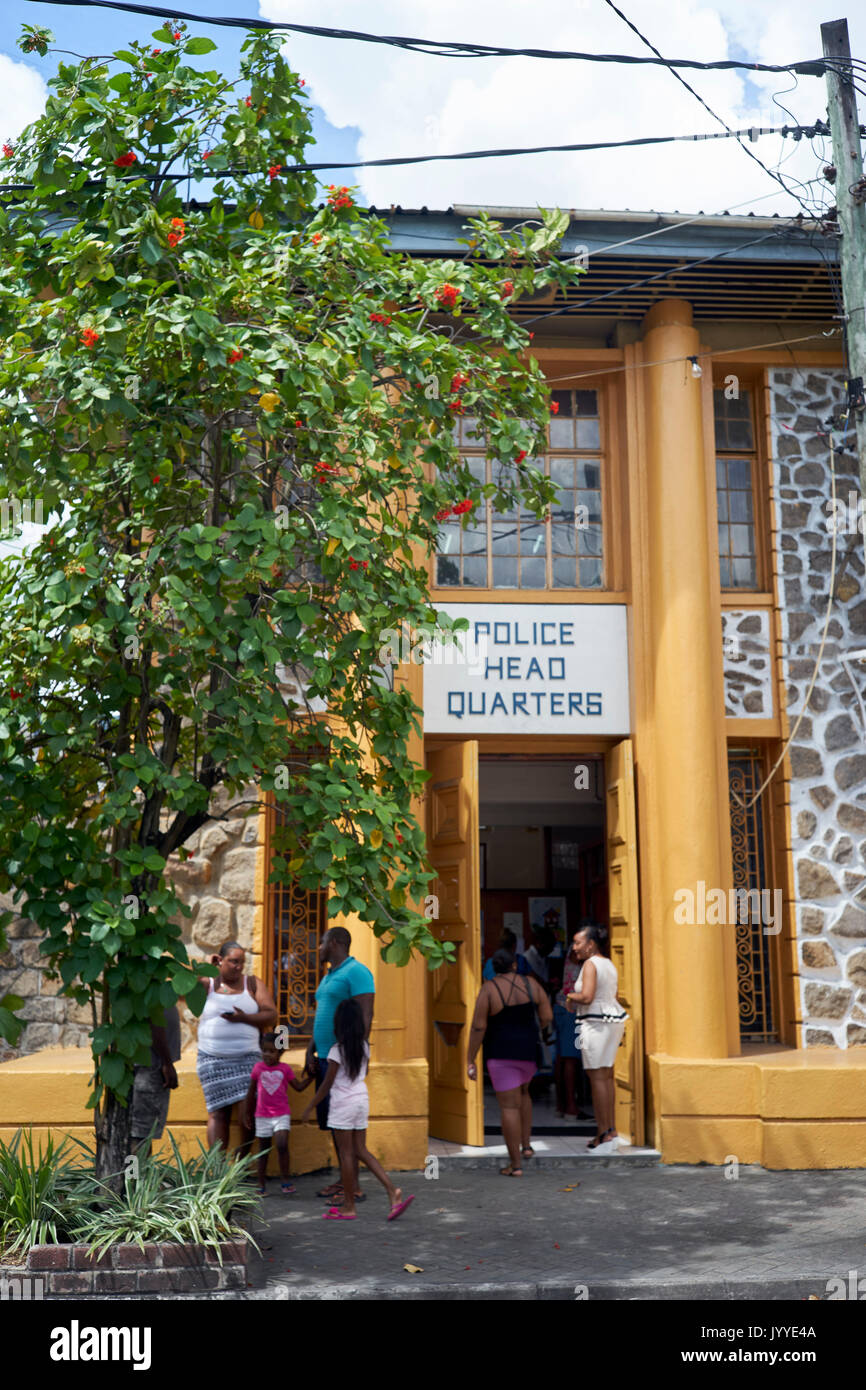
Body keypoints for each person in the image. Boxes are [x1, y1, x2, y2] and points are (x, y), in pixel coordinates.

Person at [301, 998, 414, 1222]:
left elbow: (327, 1084)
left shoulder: (335, 1051)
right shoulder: (363, 1046)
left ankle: (349, 1206)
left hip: (342, 1103)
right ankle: (393, 1191)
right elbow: (366, 1073)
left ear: (339, 1024)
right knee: (361, 1150)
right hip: (361, 1099)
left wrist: (310, 1105)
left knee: (346, 1155)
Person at [466, 948, 552, 1176]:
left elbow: (478, 1026)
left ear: (494, 968)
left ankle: (515, 1166)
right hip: (528, 1052)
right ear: (514, 965)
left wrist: (470, 1057)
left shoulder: (489, 989)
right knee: (524, 1095)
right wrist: (538, 1031)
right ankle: (526, 1147)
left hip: (501, 1054)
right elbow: (547, 1016)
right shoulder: (531, 984)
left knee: (509, 1107)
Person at [305, 926, 375, 1205]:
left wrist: (359, 1055)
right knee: (335, 1126)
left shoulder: (357, 972)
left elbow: (366, 1015)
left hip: (342, 1061)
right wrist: (310, 1051)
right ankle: (345, 1180)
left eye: (322, 942)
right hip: (324, 1057)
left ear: (334, 943)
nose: (319, 947)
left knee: (343, 1125)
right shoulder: (329, 976)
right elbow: (322, 1016)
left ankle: (353, 1187)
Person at [196, 940, 277, 1153]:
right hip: (212, 1058)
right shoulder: (208, 984)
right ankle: (218, 1169)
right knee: (217, 1113)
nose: (238, 967)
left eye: (242, 962)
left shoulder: (252, 984)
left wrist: (244, 1018)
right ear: (220, 960)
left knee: (247, 1112)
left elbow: (271, 1014)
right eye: (233, 961)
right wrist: (205, 964)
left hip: (248, 1058)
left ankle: (241, 1165)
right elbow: (183, 986)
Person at [565, 923, 628, 1151]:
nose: (574, 948)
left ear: (591, 944)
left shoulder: (590, 964)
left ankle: (603, 1132)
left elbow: (588, 996)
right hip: (611, 1021)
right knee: (606, 1075)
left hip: (596, 1023)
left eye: (578, 942)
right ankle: (609, 1129)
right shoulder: (608, 963)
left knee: (597, 1078)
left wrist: (571, 996)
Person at [243, 1032, 313, 1196]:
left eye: (272, 1051)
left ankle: (286, 1181)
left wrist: (312, 1077)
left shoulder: (285, 1069)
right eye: (265, 1050)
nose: (267, 1054)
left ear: (280, 1053)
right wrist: (247, 1113)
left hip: (281, 1114)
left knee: (282, 1145)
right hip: (262, 1116)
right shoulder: (258, 1068)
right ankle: (261, 1184)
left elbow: (299, 1087)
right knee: (263, 1150)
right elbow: (251, 1091)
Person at [130, 1003, 181, 1157]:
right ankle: (136, 1178)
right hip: (150, 1066)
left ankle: (138, 1176)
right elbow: (154, 1025)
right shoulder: (151, 989)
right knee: (140, 1133)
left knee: (141, 1133)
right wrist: (167, 1062)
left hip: (149, 1065)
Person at [553, 934, 583, 1118]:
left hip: (563, 1007)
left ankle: (562, 1104)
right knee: (569, 1058)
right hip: (569, 1009)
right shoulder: (578, 951)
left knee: (563, 1058)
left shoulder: (573, 952)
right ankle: (570, 1105)